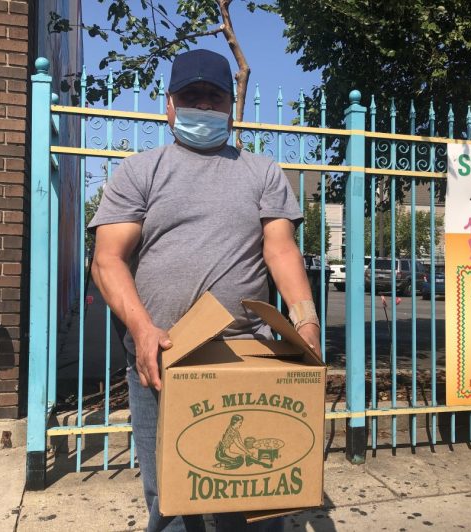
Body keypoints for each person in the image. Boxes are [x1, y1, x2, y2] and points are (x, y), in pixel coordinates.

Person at [88, 49, 321, 532]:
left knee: (255, 498)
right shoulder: (140, 171)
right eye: (190, 96)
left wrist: (305, 320)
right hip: (162, 357)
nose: (202, 106)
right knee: (172, 498)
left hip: (243, 357)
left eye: (213, 97)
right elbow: (107, 260)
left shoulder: (262, 172)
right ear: (169, 106)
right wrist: (143, 328)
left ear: (231, 107)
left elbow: (280, 251)